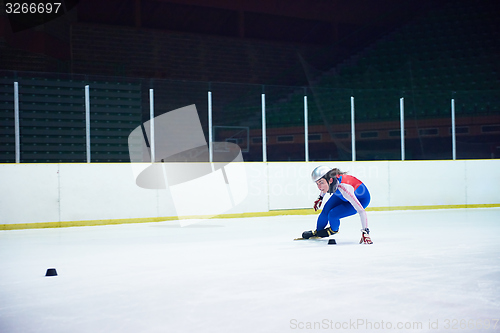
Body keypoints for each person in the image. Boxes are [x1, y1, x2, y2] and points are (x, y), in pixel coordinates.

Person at [302, 166, 373, 244]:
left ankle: (333, 230)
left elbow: (361, 211)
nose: (319, 187)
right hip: (342, 195)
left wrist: (365, 232)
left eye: (321, 182)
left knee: (333, 214)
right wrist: (320, 197)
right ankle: (318, 231)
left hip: (361, 199)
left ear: (331, 180)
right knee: (326, 210)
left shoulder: (345, 189)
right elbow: (324, 187)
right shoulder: (331, 180)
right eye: (317, 183)